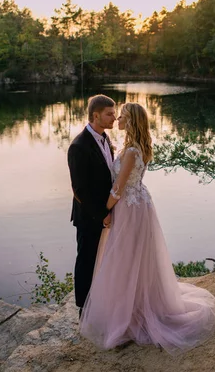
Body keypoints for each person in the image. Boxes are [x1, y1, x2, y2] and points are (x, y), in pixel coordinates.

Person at [79, 102, 215, 355]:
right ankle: (130, 307)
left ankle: (131, 314)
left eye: (121, 116)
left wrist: (104, 211)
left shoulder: (131, 151)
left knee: (126, 259)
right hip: (136, 204)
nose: (117, 119)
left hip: (130, 208)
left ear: (131, 121)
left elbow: (118, 188)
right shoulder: (130, 147)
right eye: (115, 115)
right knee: (131, 258)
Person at [67, 94, 116, 317]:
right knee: (86, 258)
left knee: (103, 258)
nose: (114, 118)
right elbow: (80, 190)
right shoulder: (78, 146)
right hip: (89, 216)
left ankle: (100, 300)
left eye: (114, 114)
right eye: (109, 114)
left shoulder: (105, 139)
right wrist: (101, 215)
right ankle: (83, 308)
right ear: (96, 115)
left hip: (106, 212)